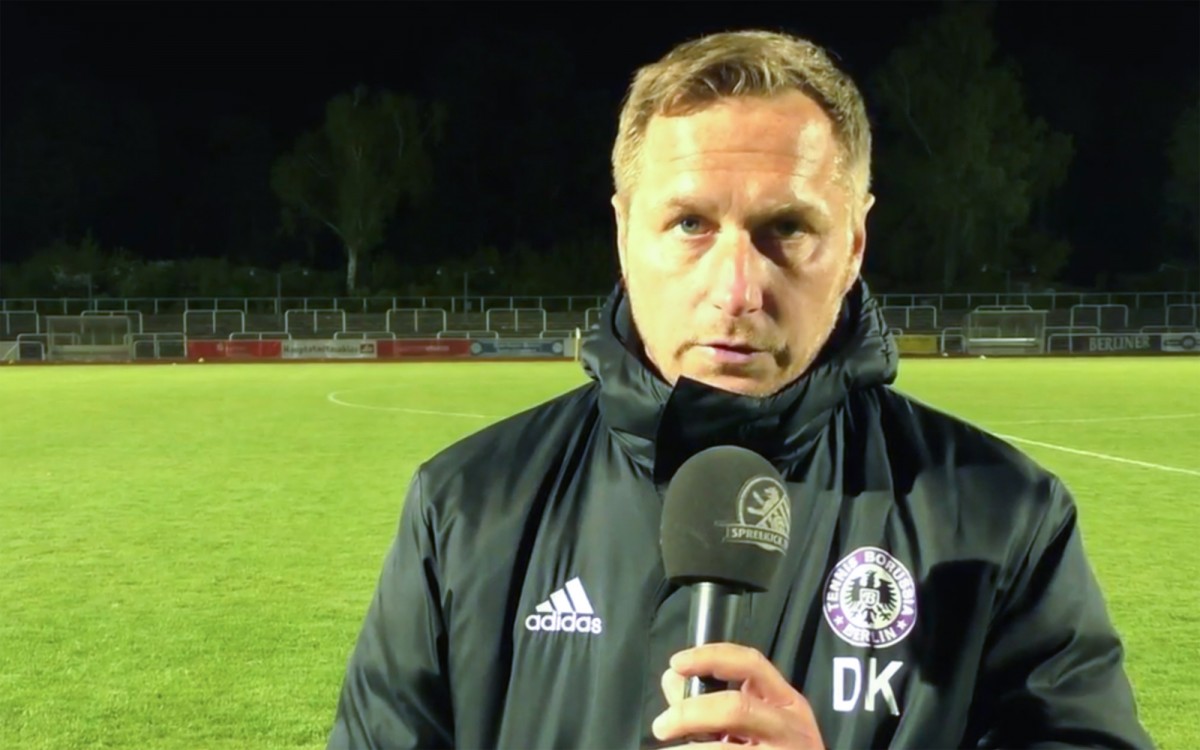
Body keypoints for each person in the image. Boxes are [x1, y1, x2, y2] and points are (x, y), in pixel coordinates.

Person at [325, 29, 1152, 750]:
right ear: (623, 231)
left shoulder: (1002, 519)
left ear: (854, 243)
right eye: (690, 224)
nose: (737, 289)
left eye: (786, 228)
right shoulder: (468, 507)